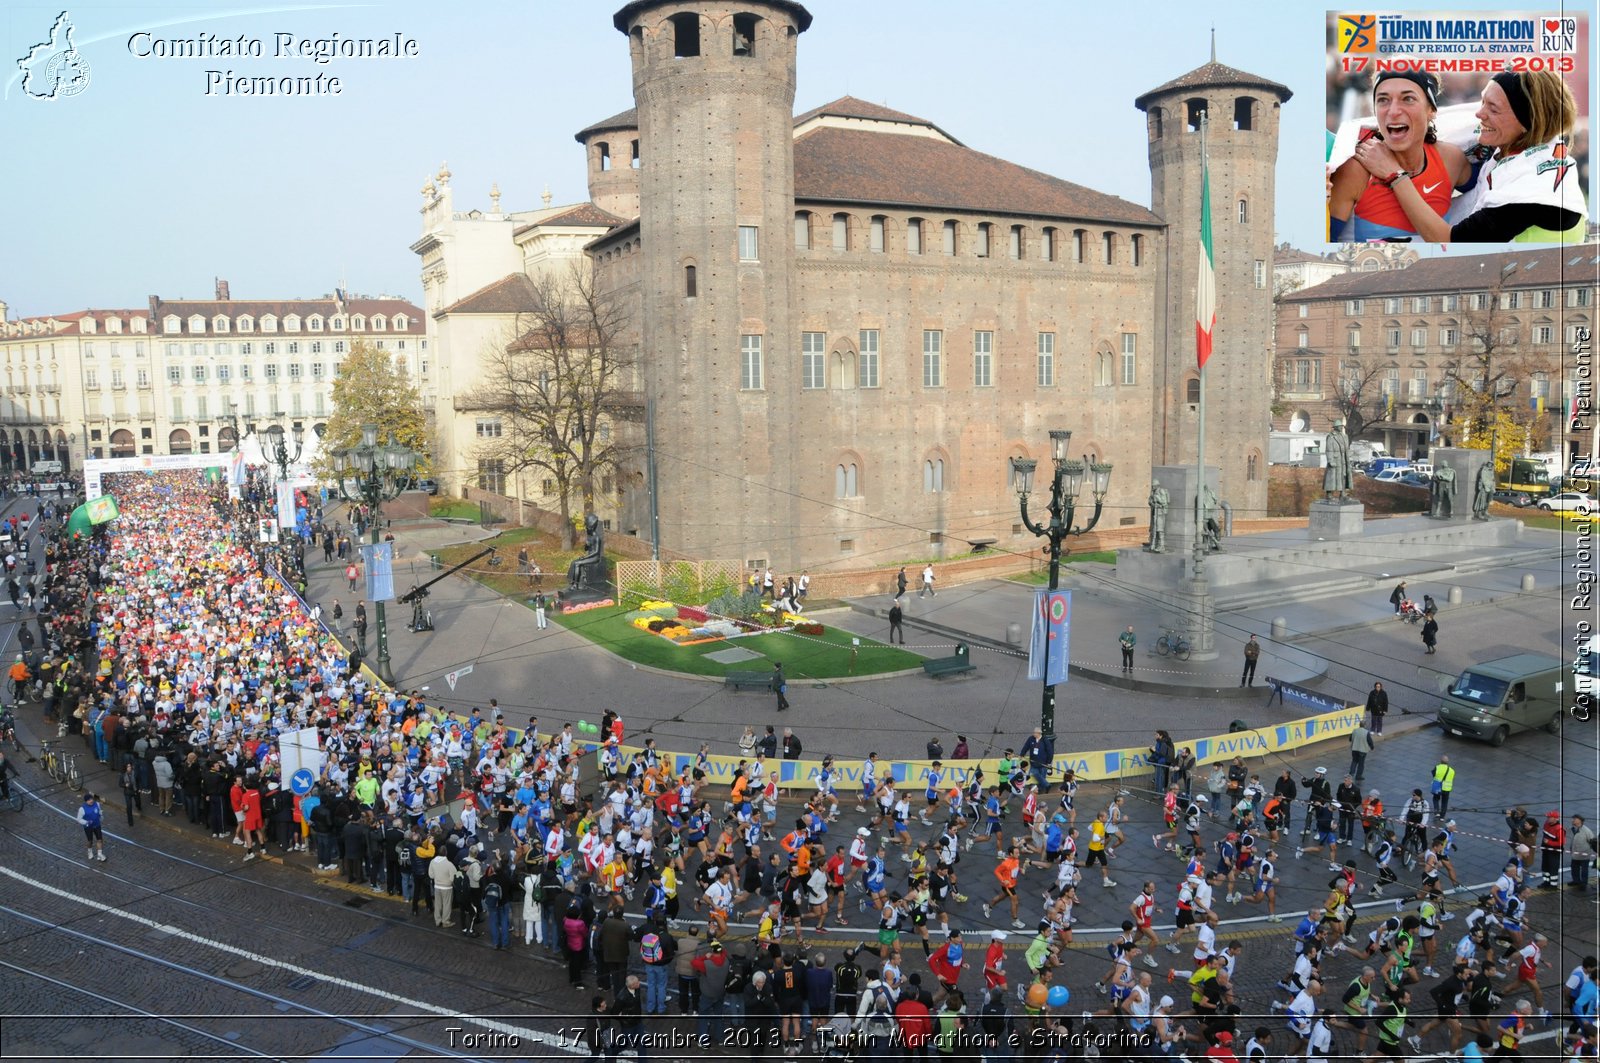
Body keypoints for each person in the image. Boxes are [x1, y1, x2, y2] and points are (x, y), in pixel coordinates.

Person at [1353, 70, 1585, 242]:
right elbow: (1470, 180)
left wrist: (1395, 175)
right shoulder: (1517, 142)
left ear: (1528, 122)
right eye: (1482, 100)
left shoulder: (1530, 191)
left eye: (1492, 109)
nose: (1478, 113)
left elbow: (1448, 241)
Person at [1328, 70, 1471, 241]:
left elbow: (1490, 191)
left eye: (1408, 99)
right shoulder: (1357, 168)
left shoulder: (1450, 159)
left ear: (1431, 110)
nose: (1393, 111)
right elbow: (1326, 241)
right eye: (1383, 100)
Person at [1324, 423, 1353, 500]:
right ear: (1336, 427)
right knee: (1332, 477)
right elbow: (1328, 450)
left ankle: (1342, 494)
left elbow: (1346, 448)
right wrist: (1330, 460)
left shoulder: (1345, 436)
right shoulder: (1331, 436)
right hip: (1335, 459)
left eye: (1342, 426)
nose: (1341, 427)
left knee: (1343, 476)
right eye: (1340, 426)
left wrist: (1349, 454)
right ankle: (1329, 494)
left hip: (1343, 459)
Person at [77, 792, 106, 862]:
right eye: (89, 800)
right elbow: (78, 819)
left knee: (99, 839)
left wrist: (101, 816)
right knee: (90, 841)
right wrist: (86, 822)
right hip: (88, 827)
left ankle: (100, 854)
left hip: (97, 825)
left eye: (91, 799)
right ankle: (89, 851)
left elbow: (99, 812)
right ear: (86, 801)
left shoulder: (97, 804)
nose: (91, 801)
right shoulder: (82, 809)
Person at [1147, 481, 1169, 552]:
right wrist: (1152, 503)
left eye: (1153, 486)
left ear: (1157, 485)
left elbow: (1164, 502)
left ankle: (1162, 546)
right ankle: (1153, 544)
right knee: (1153, 530)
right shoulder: (1152, 492)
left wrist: (1157, 498)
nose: (1152, 487)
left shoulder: (1161, 491)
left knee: (1160, 530)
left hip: (1160, 513)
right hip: (1154, 513)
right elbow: (1149, 501)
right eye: (1152, 486)